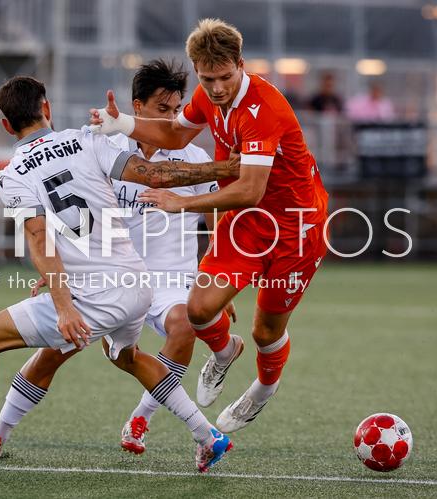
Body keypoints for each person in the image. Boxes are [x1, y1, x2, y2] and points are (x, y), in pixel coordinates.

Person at [0, 75, 237, 480]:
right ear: (46, 108)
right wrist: (228, 166)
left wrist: (63, 305)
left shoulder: (13, 174)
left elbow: (39, 237)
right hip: (137, 284)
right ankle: (207, 435)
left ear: (6, 126)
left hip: (96, 295)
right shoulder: (87, 140)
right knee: (128, 357)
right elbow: (155, 175)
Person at [90, 18, 329, 433]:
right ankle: (223, 353)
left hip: (296, 230)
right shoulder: (207, 95)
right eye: (207, 79)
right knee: (199, 310)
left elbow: (250, 189)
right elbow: (175, 135)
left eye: (224, 77)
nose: (216, 88)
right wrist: (123, 124)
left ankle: (263, 388)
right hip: (246, 225)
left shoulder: (264, 110)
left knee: (265, 331)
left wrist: (181, 202)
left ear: (241, 65)